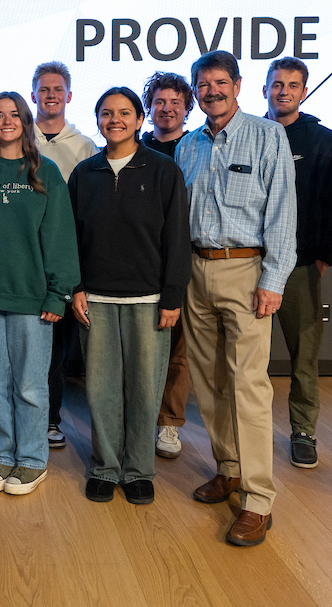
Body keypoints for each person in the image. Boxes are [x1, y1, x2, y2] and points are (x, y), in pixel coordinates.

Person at [176, 50, 295, 547]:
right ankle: (227, 466)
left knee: (248, 385)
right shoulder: (188, 145)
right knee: (208, 382)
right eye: (203, 85)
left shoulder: (269, 136)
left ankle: (257, 498)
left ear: (239, 85)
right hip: (195, 272)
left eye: (220, 83)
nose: (212, 92)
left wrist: (273, 280)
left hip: (247, 271)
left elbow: (283, 212)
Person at [0, 92, 78, 496]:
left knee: (30, 385)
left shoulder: (47, 172)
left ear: (26, 121)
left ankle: (32, 459)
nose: (7, 121)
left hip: (32, 298)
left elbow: (60, 238)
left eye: (14, 115)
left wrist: (59, 293)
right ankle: (4, 453)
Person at [68, 87, 190, 504]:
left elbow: (177, 237)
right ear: (98, 120)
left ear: (140, 120)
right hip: (96, 300)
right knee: (100, 389)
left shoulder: (162, 170)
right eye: (106, 113)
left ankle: (138, 470)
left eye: (124, 113)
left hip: (150, 300)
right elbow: (70, 239)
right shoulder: (84, 174)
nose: (114, 119)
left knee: (144, 388)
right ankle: (105, 466)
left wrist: (172, 297)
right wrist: (75, 288)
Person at [262, 57, 332, 468]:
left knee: (303, 356)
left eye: (292, 85)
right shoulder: (248, 135)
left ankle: (303, 431)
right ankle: (246, 428)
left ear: (304, 92)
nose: (284, 91)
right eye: (276, 84)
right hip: (250, 265)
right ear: (263, 90)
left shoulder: (325, 141)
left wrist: (323, 259)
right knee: (244, 357)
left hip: (299, 268)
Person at [30, 61, 97, 449]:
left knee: (56, 349)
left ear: (69, 96)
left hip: (63, 259)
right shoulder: (19, 140)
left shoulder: (85, 145)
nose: (51, 95)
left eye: (58, 90)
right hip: (25, 260)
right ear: (34, 94)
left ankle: (51, 420)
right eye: (44, 89)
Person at [140, 71, 196, 460]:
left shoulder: (197, 148)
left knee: (180, 348)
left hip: (184, 260)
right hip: (141, 262)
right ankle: (137, 417)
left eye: (176, 102)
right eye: (160, 101)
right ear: (149, 107)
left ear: (187, 109)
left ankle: (168, 423)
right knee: (142, 346)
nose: (167, 108)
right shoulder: (133, 148)